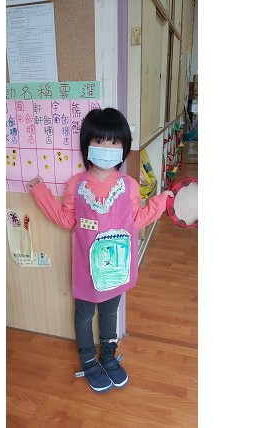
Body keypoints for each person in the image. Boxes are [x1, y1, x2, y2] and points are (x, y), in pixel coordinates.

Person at [26, 107, 173, 393]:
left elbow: (136, 220)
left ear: (124, 147)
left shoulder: (129, 186)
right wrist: (41, 193)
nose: (107, 148)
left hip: (116, 266)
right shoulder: (77, 184)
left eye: (114, 142)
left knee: (109, 312)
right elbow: (67, 220)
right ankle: (87, 361)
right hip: (86, 267)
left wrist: (160, 202)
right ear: (87, 145)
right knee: (83, 314)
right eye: (99, 141)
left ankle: (108, 356)